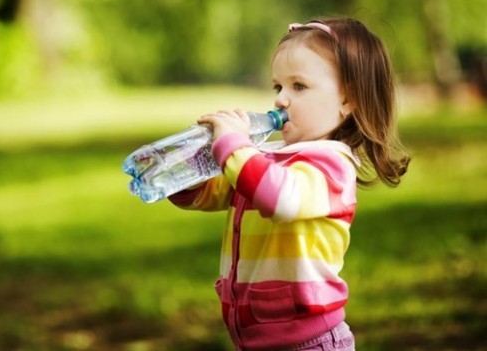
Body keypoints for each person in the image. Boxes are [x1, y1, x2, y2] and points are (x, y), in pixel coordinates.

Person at [168, 17, 410, 351]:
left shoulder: (331, 166)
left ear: (347, 100)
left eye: (299, 86)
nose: (281, 99)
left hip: (309, 341)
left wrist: (234, 147)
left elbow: (278, 196)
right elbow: (217, 190)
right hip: (257, 340)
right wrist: (185, 173)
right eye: (277, 87)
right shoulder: (267, 157)